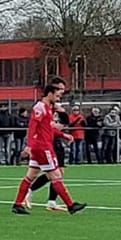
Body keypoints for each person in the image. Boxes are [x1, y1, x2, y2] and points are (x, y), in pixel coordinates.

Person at [11, 78, 85, 215]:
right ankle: (70, 205)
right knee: (56, 175)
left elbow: (47, 128)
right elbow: (33, 127)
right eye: (57, 94)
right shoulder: (40, 107)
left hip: (41, 146)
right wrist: (29, 145)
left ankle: (17, 204)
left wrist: (63, 135)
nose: (59, 97)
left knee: (30, 175)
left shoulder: (47, 108)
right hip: (43, 147)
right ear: (50, 93)